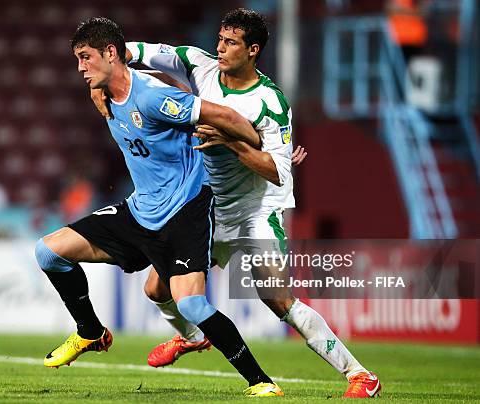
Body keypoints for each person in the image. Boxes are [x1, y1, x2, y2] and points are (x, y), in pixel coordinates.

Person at [97, 8, 380, 399]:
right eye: (220, 39)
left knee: (278, 299)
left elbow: (277, 171)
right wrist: (102, 71)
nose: (220, 48)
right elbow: (136, 52)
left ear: (253, 50)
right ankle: (192, 337)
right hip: (207, 207)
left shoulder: (270, 102)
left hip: (255, 210)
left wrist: (231, 140)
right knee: (155, 288)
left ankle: (359, 375)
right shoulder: (199, 66)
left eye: (230, 43)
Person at [34, 17, 283, 397]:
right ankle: (90, 331)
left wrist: (261, 145)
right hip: (140, 211)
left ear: (111, 53)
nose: (80, 68)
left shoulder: (153, 96)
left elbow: (226, 116)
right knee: (49, 252)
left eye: (86, 58)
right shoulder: (102, 94)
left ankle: (261, 381)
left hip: (185, 210)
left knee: (194, 306)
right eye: (77, 60)